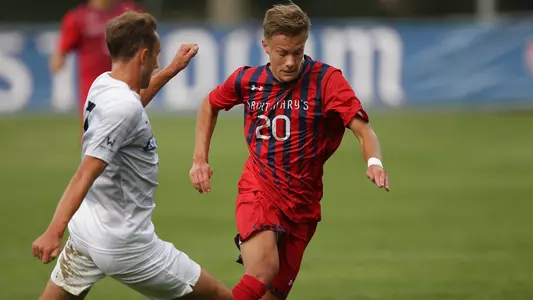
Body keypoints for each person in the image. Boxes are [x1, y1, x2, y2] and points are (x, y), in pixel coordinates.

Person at [190, 3, 390, 300]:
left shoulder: (327, 81)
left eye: (298, 51)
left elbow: (362, 129)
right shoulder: (248, 80)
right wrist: (199, 159)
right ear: (265, 46)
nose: (290, 61)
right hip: (259, 188)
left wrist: (374, 161)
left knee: (273, 294)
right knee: (262, 270)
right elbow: (210, 103)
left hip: (302, 204)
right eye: (282, 53)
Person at [32, 11, 233, 300]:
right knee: (215, 294)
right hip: (124, 242)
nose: (157, 63)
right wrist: (53, 231)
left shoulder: (104, 84)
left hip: (88, 228)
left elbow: (133, 104)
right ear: (142, 56)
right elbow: (85, 173)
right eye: (156, 56)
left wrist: (173, 69)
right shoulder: (122, 108)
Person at [50, 0, 144, 121]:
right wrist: (58, 60)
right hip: (94, 89)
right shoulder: (78, 17)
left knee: (129, 131)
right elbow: (59, 55)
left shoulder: (130, 12)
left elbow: (146, 40)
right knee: (96, 133)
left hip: (126, 86)